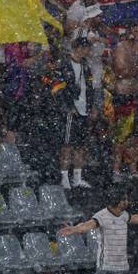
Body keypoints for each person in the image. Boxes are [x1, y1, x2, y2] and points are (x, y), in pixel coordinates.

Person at [110, 25, 138, 183]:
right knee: (120, 136)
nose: (136, 34)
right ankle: (116, 170)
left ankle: (133, 169)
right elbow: (120, 71)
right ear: (127, 32)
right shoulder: (120, 48)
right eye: (133, 31)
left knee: (136, 136)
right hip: (123, 96)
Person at [58, 38, 96, 189]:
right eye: (86, 48)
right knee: (67, 145)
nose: (88, 52)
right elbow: (58, 89)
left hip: (84, 110)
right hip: (71, 110)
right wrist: (68, 106)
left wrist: (91, 106)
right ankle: (64, 178)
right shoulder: (64, 64)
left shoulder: (85, 65)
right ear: (78, 48)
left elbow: (90, 87)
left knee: (81, 146)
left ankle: (77, 178)